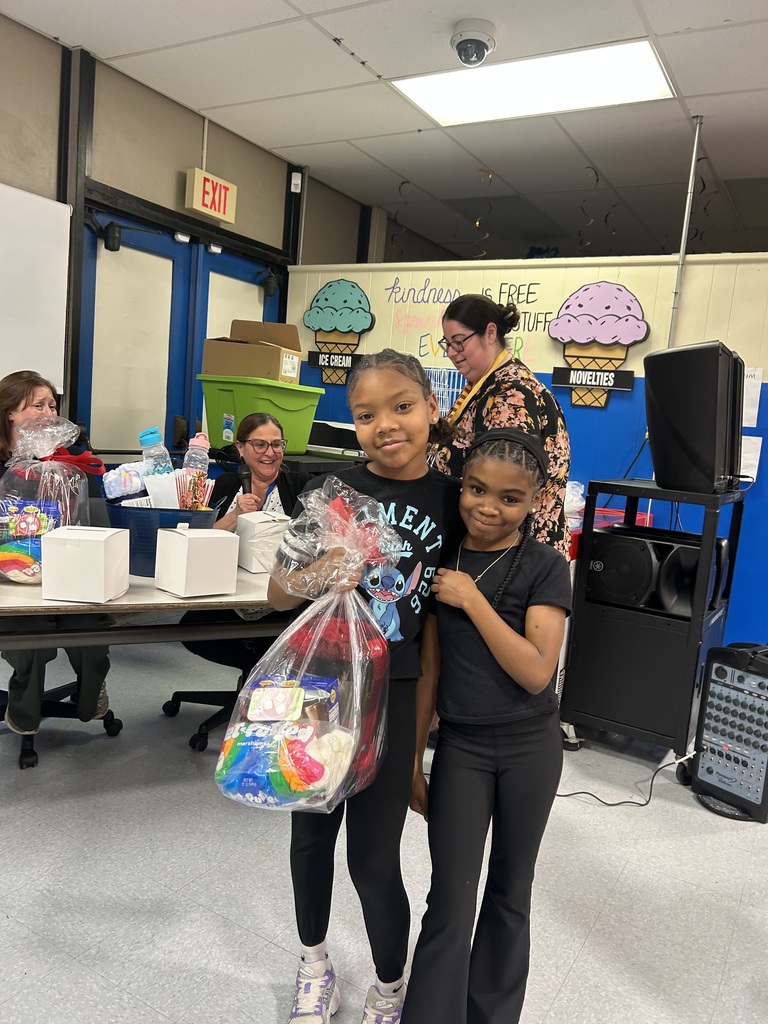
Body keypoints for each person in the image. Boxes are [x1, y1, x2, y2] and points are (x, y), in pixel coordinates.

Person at [267, 349, 462, 1024]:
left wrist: (423, 736)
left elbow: (440, 621)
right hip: (322, 688)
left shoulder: (452, 497)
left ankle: (388, 985)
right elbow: (276, 590)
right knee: (310, 840)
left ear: (432, 408)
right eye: (365, 414)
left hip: (397, 693)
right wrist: (329, 565)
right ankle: (314, 964)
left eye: (402, 406)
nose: (386, 425)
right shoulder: (330, 489)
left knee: (375, 862)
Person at [402, 428, 572, 1024]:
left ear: (535, 501)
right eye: (476, 489)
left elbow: (535, 671)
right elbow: (429, 670)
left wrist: (474, 601)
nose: (488, 507)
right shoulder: (442, 563)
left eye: (509, 498)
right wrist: (414, 761)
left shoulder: (547, 567)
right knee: (449, 897)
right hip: (461, 749)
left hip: (530, 747)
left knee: (508, 892)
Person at [0, 369, 111, 736]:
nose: (48, 412)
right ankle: (25, 711)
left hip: (68, 572)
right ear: (10, 413)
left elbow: (92, 512)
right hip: (9, 581)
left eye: (52, 404)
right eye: (37, 405)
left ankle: (90, 696)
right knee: (29, 635)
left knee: (89, 626)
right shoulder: (4, 469)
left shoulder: (69, 461)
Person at [431, 293, 571, 558]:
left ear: (490, 333)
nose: (451, 353)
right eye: (447, 344)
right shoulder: (491, 383)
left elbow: (504, 489)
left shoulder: (508, 395)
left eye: (459, 342)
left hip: (511, 554)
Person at [180, 412, 309, 676]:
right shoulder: (226, 485)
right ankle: (257, 675)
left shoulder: (299, 486)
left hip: (278, 601)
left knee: (278, 641)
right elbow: (197, 541)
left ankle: (260, 680)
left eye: (276, 444)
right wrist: (235, 516)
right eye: (259, 444)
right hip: (225, 597)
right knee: (190, 630)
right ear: (240, 448)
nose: (269, 453)